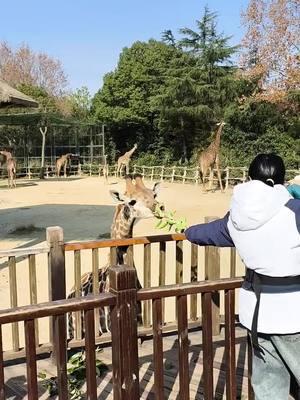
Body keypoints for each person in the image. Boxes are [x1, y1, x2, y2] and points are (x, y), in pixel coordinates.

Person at [185, 153, 300, 400]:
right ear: (281, 180)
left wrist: (186, 231)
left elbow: (205, 233)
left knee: (269, 388)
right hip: (294, 314)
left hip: (257, 316)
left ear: (250, 178)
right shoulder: (295, 211)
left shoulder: (236, 218)